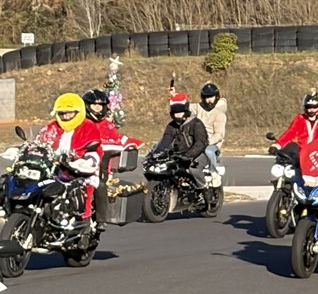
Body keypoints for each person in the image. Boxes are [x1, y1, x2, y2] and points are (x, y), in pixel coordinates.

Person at [36, 93, 103, 230]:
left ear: (78, 112)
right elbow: (40, 142)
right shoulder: (52, 127)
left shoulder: (88, 127)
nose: (65, 116)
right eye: (62, 113)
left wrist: (81, 160)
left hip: (78, 170)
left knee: (86, 188)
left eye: (69, 113)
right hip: (52, 168)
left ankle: (85, 222)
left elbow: (94, 150)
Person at [81, 89, 141, 229]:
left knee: (99, 183)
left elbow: (114, 143)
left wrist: (100, 147)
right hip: (77, 160)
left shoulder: (106, 125)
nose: (97, 108)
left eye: (100, 106)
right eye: (94, 105)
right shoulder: (80, 123)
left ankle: (101, 218)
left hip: (99, 164)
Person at [153, 93, 210, 186]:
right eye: (176, 113)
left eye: (180, 112)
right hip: (181, 155)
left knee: (193, 169)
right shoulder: (172, 126)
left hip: (200, 154)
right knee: (168, 168)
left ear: (186, 111)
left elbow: (201, 143)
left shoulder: (196, 123)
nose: (178, 115)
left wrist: (188, 155)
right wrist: (157, 152)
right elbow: (166, 140)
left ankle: (204, 188)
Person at [191, 82, 227, 184]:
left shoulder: (220, 113)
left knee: (209, 151)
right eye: (206, 97)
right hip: (198, 139)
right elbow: (184, 108)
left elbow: (219, 135)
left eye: (211, 97)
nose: (208, 100)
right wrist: (174, 96)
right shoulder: (198, 107)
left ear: (216, 97)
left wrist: (207, 141)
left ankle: (213, 172)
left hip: (211, 143)